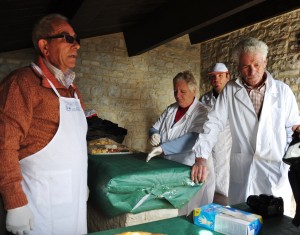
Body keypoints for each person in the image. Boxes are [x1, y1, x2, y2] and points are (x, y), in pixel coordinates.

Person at [191, 37, 300, 215]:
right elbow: (214, 123)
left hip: (274, 169)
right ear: (238, 66)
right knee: (242, 220)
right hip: (243, 169)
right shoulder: (230, 90)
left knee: (276, 226)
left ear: (265, 62)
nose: (251, 71)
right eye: (245, 66)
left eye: (256, 64)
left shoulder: (283, 91)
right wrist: (201, 157)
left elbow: (294, 127)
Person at [0, 14, 88, 235]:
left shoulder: (73, 90)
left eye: (77, 39)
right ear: (44, 46)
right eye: (67, 38)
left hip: (74, 202)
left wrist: (81, 180)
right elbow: (4, 145)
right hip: (39, 206)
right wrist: (15, 202)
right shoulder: (22, 84)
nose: (76, 44)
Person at [146, 70, 215, 215]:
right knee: (170, 212)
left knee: (190, 212)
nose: (178, 95)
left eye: (183, 91)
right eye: (175, 91)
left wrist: (162, 148)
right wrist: (154, 134)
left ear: (194, 90)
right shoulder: (171, 109)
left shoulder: (203, 111)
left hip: (190, 169)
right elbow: (155, 127)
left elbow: (193, 138)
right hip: (169, 167)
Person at [199, 63, 231, 204]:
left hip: (228, 150)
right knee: (210, 191)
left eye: (220, 76)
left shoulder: (236, 98)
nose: (216, 79)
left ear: (227, 76)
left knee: (228, 194)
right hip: (210, 149)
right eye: (213, 77)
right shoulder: (204, 99)